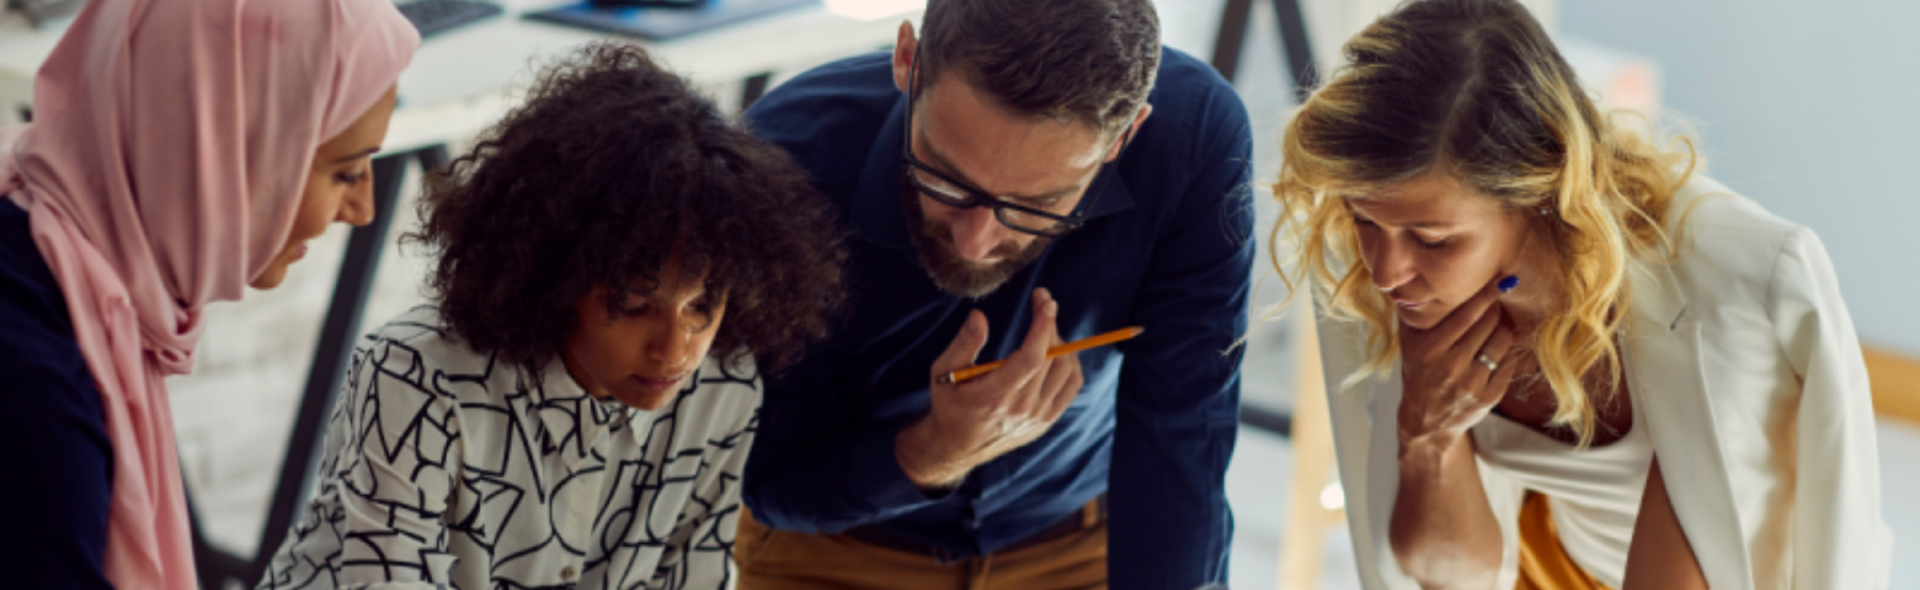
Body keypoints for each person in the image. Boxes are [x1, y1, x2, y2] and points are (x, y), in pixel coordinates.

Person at [1270, 0, 1891, 588]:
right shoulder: (1391, 279)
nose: (1383, 272)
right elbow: (1450, 579)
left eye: (1432, 239)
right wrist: (1426, 440)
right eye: (1365, 221)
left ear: (1542, 187)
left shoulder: (1726, 292)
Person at [253, 42, 848, 590]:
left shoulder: (724, 385)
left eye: (702, 305)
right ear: (558, 275)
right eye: (634, 305)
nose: (676, 349)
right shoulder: (416, 378)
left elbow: (691, 576)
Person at [734, 0, 1254, 587]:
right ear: (909, 61)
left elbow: (1181, 435)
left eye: (1038, 204)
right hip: (835, 546)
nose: (976, 243)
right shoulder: (784, 160)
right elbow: (768, 478)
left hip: (1079, 539)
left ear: (1124, 136)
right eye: (944, 176)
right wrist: (932, 452)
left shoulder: (1193, 139)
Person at [0, 0, 417, 586]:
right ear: (221, 152)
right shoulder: (39, 403)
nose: (363, 209)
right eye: (346, 172)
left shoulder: (33, 221)